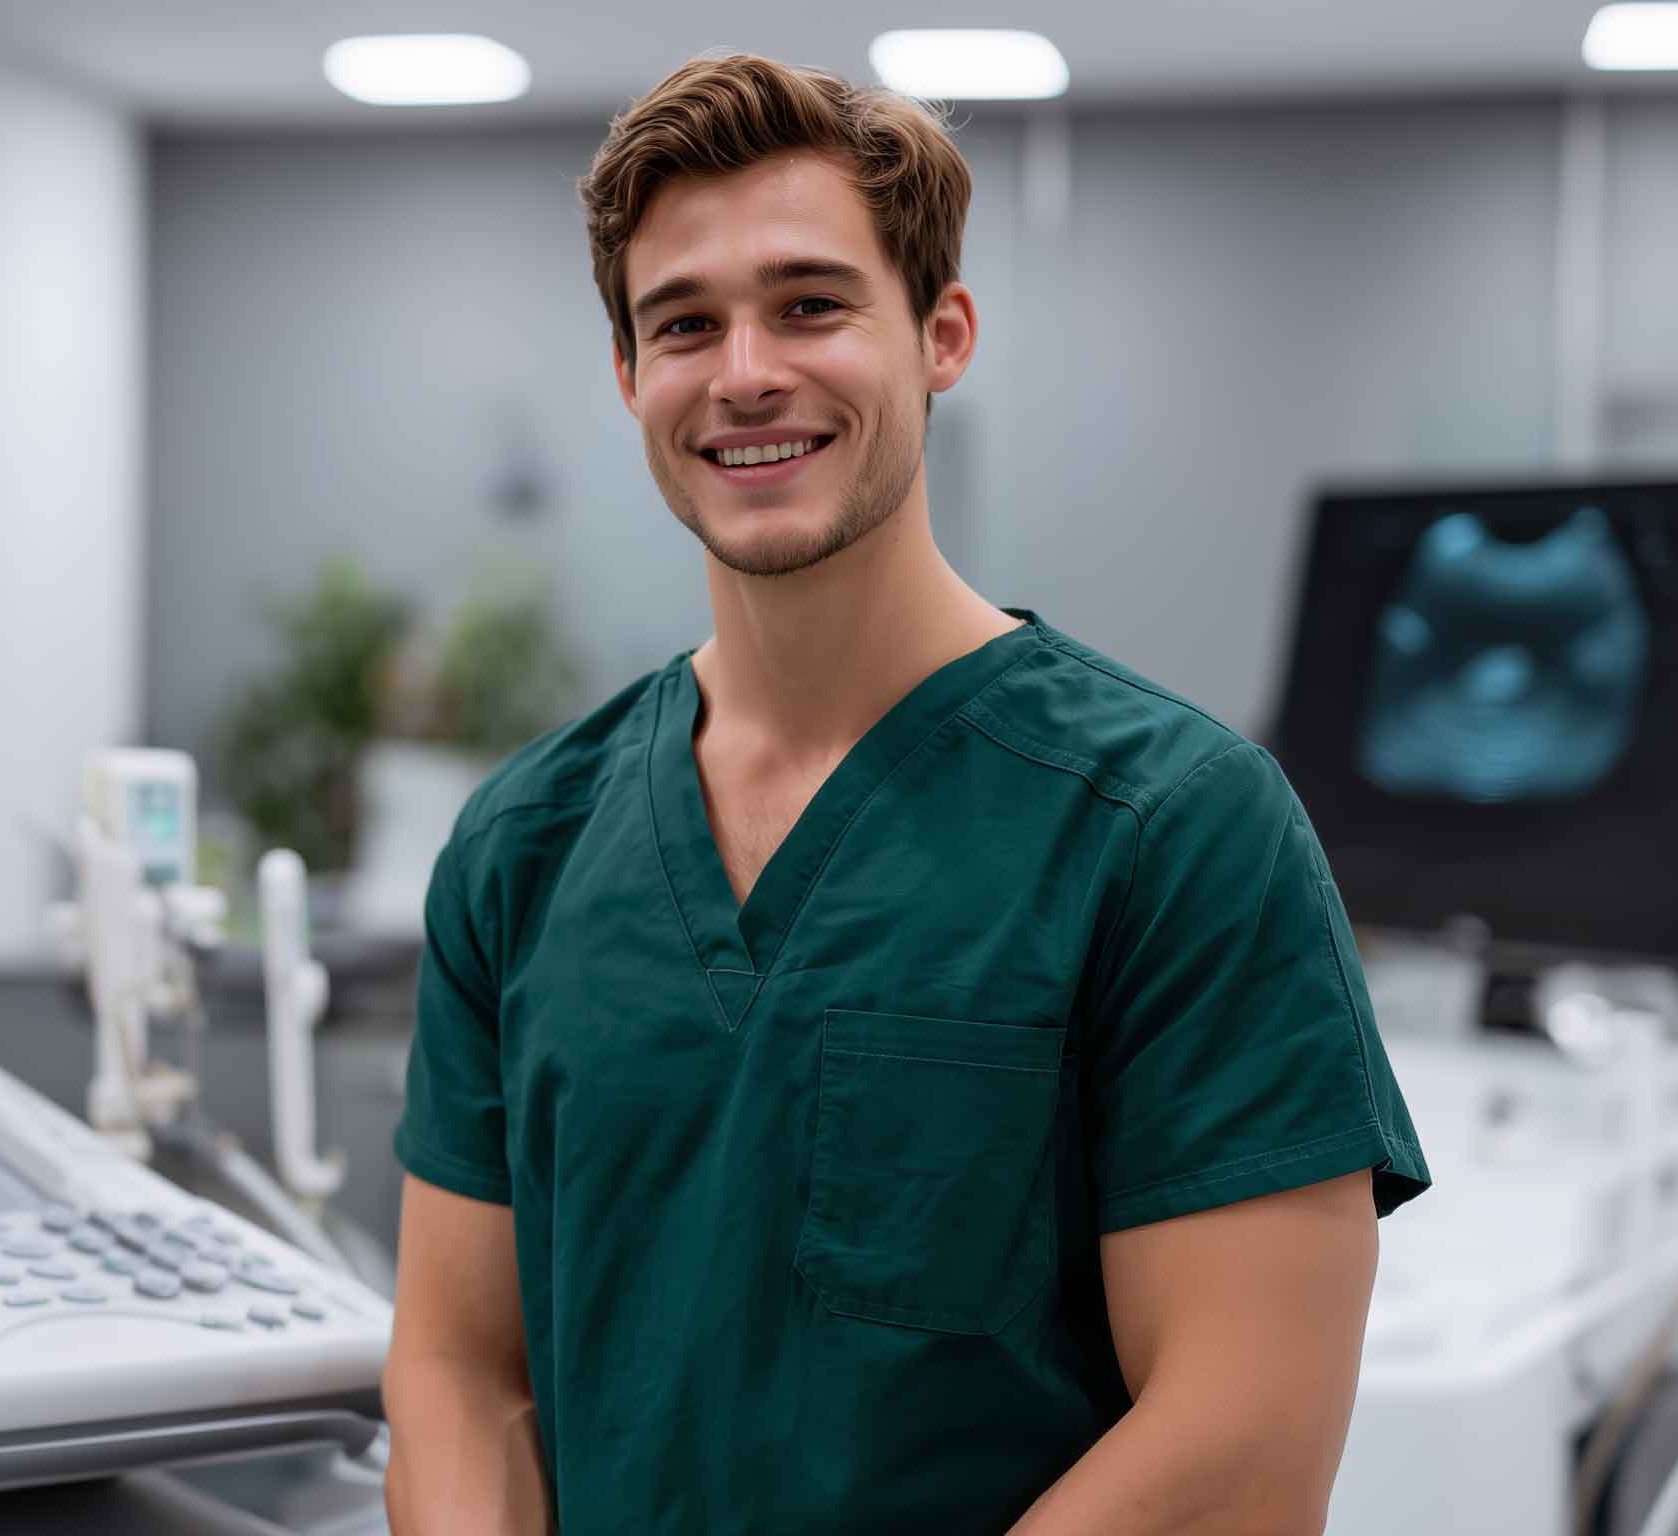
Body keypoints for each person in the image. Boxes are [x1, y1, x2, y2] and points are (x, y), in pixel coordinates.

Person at [382, 52, 1430, 1535]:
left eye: (811, 304)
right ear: (629, 378)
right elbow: (454, 1368)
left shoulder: (1173, 826)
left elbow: (1242, 1451)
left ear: (941, 336)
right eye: (684, 324)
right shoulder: (522, 848)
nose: (746, 369)